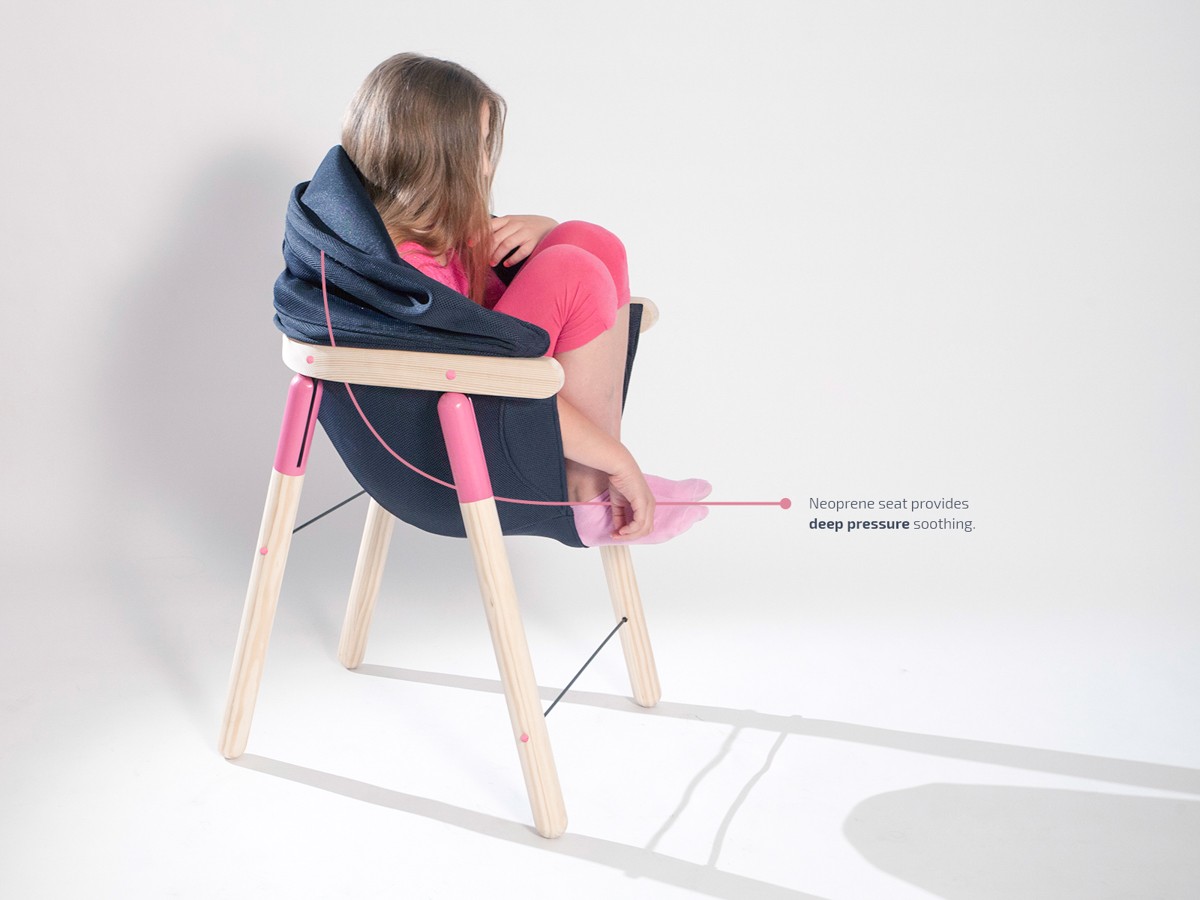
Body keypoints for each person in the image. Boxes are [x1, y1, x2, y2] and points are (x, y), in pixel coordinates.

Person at [340, 52, 709, 545]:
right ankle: (590, 492)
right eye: (478, 147)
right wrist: (618, 458)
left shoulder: (443, 236)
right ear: (435, 155)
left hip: (499, 406)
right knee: (572, 269)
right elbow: (480, 377)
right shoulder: (403, 273)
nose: (488, 164)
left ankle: (592, 485)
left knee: (590, 240)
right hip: (456, 448)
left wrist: (545, 231)